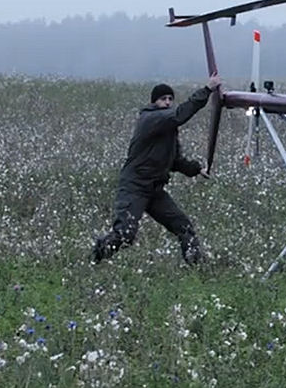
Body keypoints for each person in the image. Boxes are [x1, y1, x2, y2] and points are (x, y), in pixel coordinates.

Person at [91, 76, 222, 265]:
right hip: (134, 187)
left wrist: (196, 169)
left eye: (170, 99)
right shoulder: (151, 118)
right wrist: (207, 90)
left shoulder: (168, 128)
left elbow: (175, 161)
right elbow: (180, 114)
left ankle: (197, 266)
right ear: (154, 102)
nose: (167, 102)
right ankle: (95, 257)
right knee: (125, 235)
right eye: (163, 99)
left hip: (154, 190)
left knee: (184, 227)